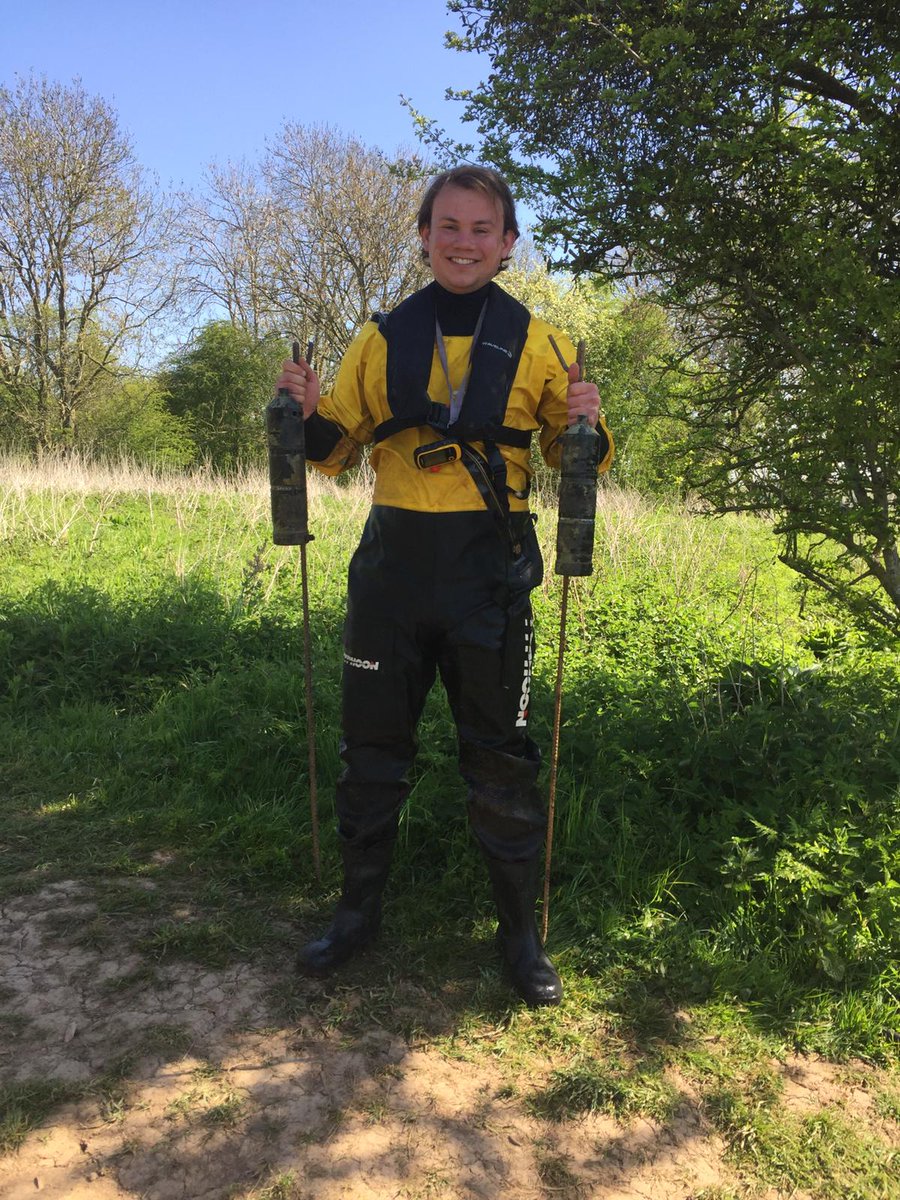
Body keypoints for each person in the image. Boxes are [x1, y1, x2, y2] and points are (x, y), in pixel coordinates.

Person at [275, 165, 613, 1007]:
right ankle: (356, 915)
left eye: (481, 229)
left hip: (488, 577)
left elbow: (580, 457)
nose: (463, 242)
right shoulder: (380, 339)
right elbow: (330, 450)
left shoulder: (542, 342)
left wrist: (589, 421)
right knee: (371, 754)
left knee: (500, 758)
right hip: (390, 574)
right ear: (423, 236)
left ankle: (519, 936)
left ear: (507, 244)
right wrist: (306, 408)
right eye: (448, 227)